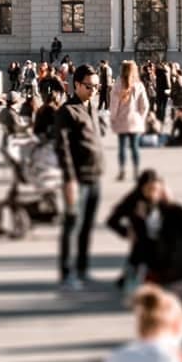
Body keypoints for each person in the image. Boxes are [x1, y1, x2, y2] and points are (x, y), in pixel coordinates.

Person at [54, 64, 104, 290]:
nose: (93, 90)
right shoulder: (67, 111)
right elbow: (62, 149)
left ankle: (82, 270)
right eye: (89, 86)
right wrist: (69, 180)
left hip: (94, 176)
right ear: (76, 85)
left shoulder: (90, 106)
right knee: (72, 225)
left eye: (96, 86)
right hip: (78, 179)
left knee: (86, 226)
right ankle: (67, 273)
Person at [109, 60, 149, 182]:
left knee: (122, 147)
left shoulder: (118, 84)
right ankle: (136, 171)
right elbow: (145, 105)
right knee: (135, 147)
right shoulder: (139, 85)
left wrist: (113, 118)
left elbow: (114, 104)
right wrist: (141, 118)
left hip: (121, 120)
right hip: (135, 121)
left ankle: (122, 171)